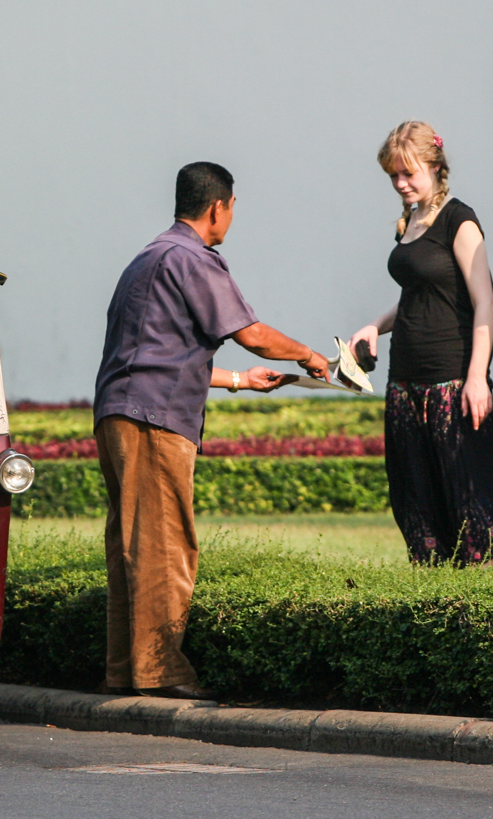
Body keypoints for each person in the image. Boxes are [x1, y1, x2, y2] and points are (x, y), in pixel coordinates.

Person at [93, 161, 329, 699]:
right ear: (218, 207)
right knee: (165, 547)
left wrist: (239, 382)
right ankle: (161, 673)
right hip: (154, 421)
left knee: (130, 546)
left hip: (118, 414)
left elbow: (160, 352)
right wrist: (311, 357)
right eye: (232, 210)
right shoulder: (193, 259)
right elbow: (252, 332)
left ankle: (122, 673)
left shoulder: (147, 257)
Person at [348, 122, 493, 565]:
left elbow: (484, 304)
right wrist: (374, 326)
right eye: (393, 176)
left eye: (408, 174)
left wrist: (476, 377)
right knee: (415, 494)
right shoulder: (410, 222)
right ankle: (432, 589)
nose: (400, 184)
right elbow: (419, 299)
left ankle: (470, 601)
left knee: (464, 499)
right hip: (404, 378)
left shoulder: (459, 220)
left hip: (451, 379)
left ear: (436, 167)